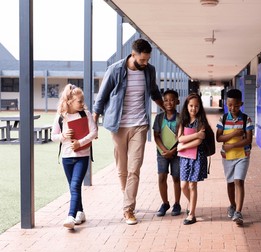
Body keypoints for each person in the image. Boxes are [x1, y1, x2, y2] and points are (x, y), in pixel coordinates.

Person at [93, 39, 164, 225]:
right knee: (122, 170)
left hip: (139, 125)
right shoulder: (115, 70)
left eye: (147, 59)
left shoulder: (149, 70)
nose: (145, 63)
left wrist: (167, 108)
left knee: (134, 169)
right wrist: (93, 124)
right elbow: (101, 99)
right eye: (142, 60)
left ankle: (128, 209)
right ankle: (128, 198)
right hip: (118, 126)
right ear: (133, 55)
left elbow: (154, 92)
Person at [51, 84, 98, 230]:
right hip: (66, 157)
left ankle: (70, 216)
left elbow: (94, 133)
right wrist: (63, 136)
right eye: (79, 101)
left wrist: (80, 143)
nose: (83, 103)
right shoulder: (61, 117)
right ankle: (80, 212)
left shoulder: (86, 114)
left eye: (83, 100)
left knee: (75, 185)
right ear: (70, 101)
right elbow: (53, 136)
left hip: (82, 156)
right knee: (73, 187)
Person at [216, 89, 254, 225]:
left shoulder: (246, 119)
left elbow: (248, 140)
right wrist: (233, 134)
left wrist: (232, 145)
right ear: (226, 104)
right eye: (230, 105)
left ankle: (238, 212)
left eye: (236, 105)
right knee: (230, 182)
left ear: (241, 104)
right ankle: (232, 205)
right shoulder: (223, 118)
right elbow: (218, 137)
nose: (233, 108)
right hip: (227, 157)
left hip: (242, 156)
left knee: (239, 181)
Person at [177, 93, 210, 225]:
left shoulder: (201, 122)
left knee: (192, 185)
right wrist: (195, 135)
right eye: (191, 106)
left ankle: (192, 214)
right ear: (187, 106)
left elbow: (199, 141)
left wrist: (182, 146)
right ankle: (191, 203)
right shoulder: (183, 120)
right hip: (185, 157)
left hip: (197, 156)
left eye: (196, 106)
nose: (193, 109)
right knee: (183, 185)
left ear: (200, 107)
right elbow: (180, 138)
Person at [152, 89, 181, 217]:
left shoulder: (181, 118)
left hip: (177, 152)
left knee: (176, 177)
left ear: (177, 102)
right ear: (163, 102)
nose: (169, 103)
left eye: (172, 100)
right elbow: (156, 135)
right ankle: (165, 203)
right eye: (166, 100)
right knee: (162, 176)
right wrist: (165, 150)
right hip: (162, 153)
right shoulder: (159, 118)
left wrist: (174, 150)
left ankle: (177, 203)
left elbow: (183, 136)